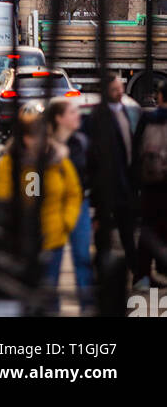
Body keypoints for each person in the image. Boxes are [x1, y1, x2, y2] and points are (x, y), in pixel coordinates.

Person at [0, 109, 82, 310]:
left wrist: (66, 222)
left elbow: (73, 193)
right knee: (25, 293)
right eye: (32, 137)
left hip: (52, 237)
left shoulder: (59, 161)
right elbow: (1, 196)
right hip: (21, 238)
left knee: (49, 293)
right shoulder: (10, 163)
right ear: (23, 139)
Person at [85, 72, 139, 270]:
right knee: (104, 232)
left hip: (124, 181)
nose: (120, 92)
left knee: (126, 231)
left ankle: (135, 270)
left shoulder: (123, 110)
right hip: (106, 183)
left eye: (121, 88)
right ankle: (101, 268)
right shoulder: (99, 116)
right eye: (115, 89)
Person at [48, 97, 94, 311]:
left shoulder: (81, 142)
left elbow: (91, 175)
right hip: (50, 207)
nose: (78, 116)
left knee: (82, 256)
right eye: (73, 112)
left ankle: (87, 305)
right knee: (50, 260)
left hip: (78, 205)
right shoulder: (44, 146)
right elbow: (32, 180)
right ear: (59, 118)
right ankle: (49, 307)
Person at [131, 78, 167, 288]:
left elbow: (137, 151)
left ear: (160, 97)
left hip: (151, 184)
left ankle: (143, 274)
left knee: (148, 229)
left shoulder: (149, 119)